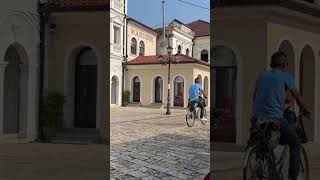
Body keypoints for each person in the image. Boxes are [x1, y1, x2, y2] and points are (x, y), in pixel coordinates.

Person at [252, 51, 310, 180]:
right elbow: (298, 97)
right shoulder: (285, 76)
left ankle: (261, 165)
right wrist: (305, 110)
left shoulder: (262, 75)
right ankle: (292, 177)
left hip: (257, 119)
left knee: (264, 140)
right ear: (284, 64)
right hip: (275, 118)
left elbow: (255, 96)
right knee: (295, 142)